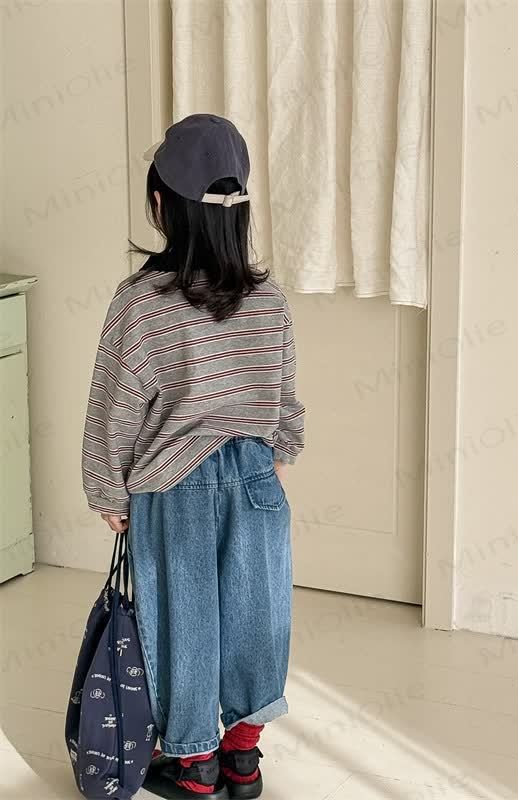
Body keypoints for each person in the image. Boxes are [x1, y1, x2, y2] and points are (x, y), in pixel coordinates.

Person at [81, 114, 305, 800]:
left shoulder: (141, 304)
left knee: (185, 624)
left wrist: (108, 492)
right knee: (258, 618)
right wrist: (273, 454)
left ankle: (196, 764)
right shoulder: (268, 299)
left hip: (172, 487)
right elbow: (285, 401)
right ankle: (244, 759)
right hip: (256, 479)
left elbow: (115, 406)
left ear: (161, 205)